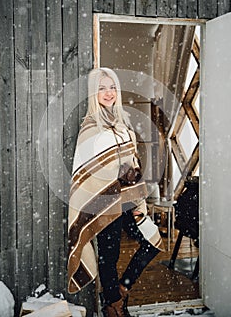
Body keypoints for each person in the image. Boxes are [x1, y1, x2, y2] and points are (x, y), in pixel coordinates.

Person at [67, 68, 164, 317]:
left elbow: (131, 163)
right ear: (93, 93)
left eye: (111, 87)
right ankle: (114, 306)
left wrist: (134, 188)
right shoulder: (90, 128)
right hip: (104, 202)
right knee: (109, 256)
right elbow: (89, 172)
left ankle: (121, 289)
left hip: (128, 201)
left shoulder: (121, 124)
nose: (108, 92)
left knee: (151, 243)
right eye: (101, 88)